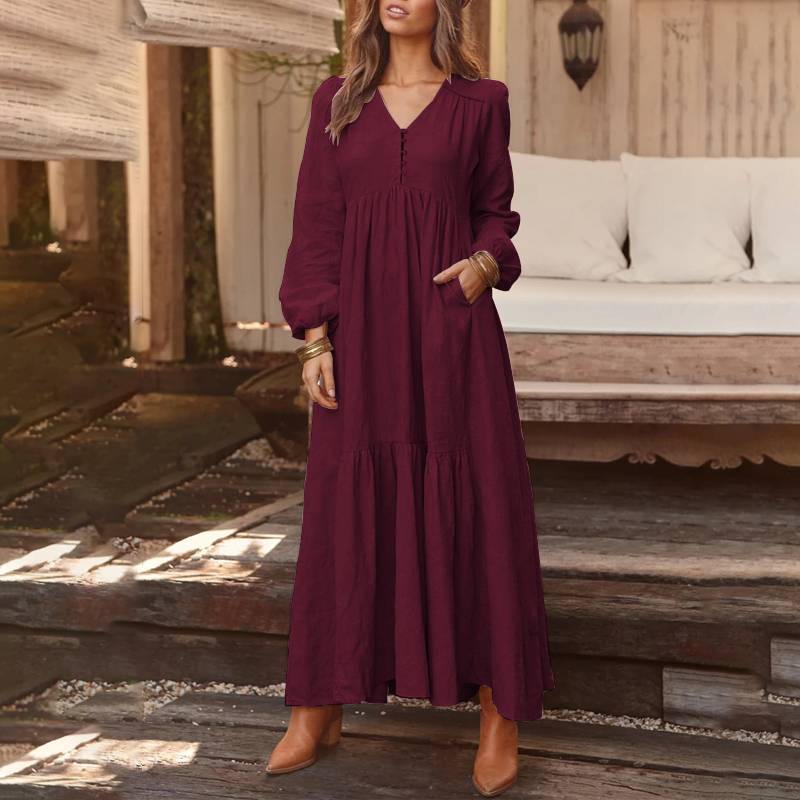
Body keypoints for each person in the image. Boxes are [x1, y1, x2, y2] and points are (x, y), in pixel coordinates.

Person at [269, 0, 555, 794]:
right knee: (342, 503)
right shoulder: (335, 103)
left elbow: (496, 214)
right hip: (361, 338)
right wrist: (315, 339)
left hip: (452, 335)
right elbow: (316, 226)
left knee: (482, 505)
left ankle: (500, 711)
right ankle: (317, 704)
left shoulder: (481, 102)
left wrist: (484, 264)